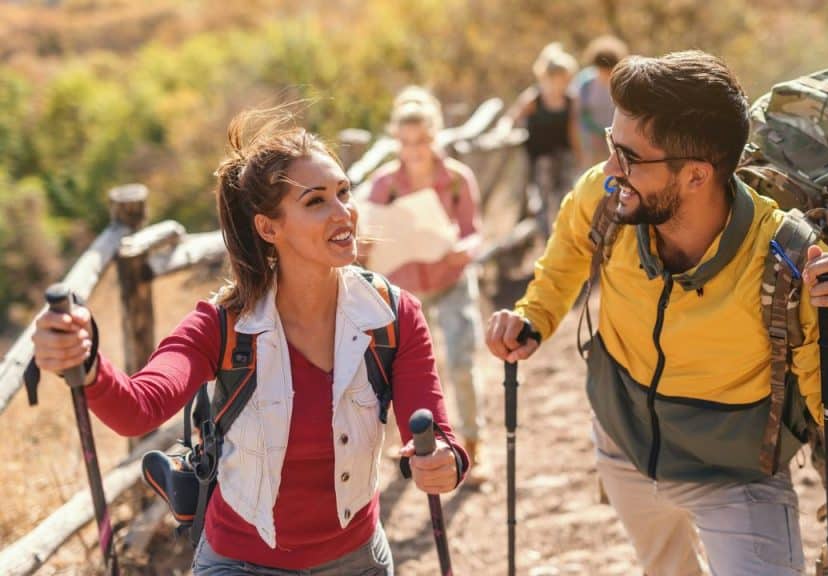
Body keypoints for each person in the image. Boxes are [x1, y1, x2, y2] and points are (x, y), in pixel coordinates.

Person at [485, 51, 828, 575]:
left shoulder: (785, 262)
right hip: (625, 447)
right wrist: (534, 316)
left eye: (629, 156)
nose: (611, 168)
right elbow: (568, 252)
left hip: (736, 478)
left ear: (697, 175)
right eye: (613, 146)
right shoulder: (608, 197)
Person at [31, 107, 467, 576]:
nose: (344, 213)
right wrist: (87, 361)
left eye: (344, 192)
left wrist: (444, 460)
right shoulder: (221, 327)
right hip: (240, 563)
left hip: (356, 561)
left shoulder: (393, 316)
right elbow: (138, 407)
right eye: (316, 201)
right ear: (268, 227)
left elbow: (436, 435)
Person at [366, 87, 490, 485]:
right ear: (396, 141)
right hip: (406, 292)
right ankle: (414, 445)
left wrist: (463, 251)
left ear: (435, 136)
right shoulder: (384, 185)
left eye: (421, 141)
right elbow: (369, 236)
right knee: (409, 370)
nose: (414, 150)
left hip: (451, 279)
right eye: (406, 142)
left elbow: (474, 233)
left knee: (460, 359)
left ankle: (471, 446)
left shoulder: (456, 179)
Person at [504, 42, 583, 237]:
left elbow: (573, 130)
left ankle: (565, 237)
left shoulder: (570, 100)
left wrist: (578, 155)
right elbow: (512, 117)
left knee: (567, 196)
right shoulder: (535, 98)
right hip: (540, 157)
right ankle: (546, 238)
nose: (561, 84)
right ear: (547, 77)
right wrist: (508, 132)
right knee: (542, 200)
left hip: (563, 155)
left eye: (565, 80)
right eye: (558, 79)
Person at [573, 35, 629, 169]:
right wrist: (593, 132)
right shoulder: (585, 83)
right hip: (592, 139)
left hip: (619, 138)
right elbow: (579, 112)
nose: (605, 74)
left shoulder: (624, 82)